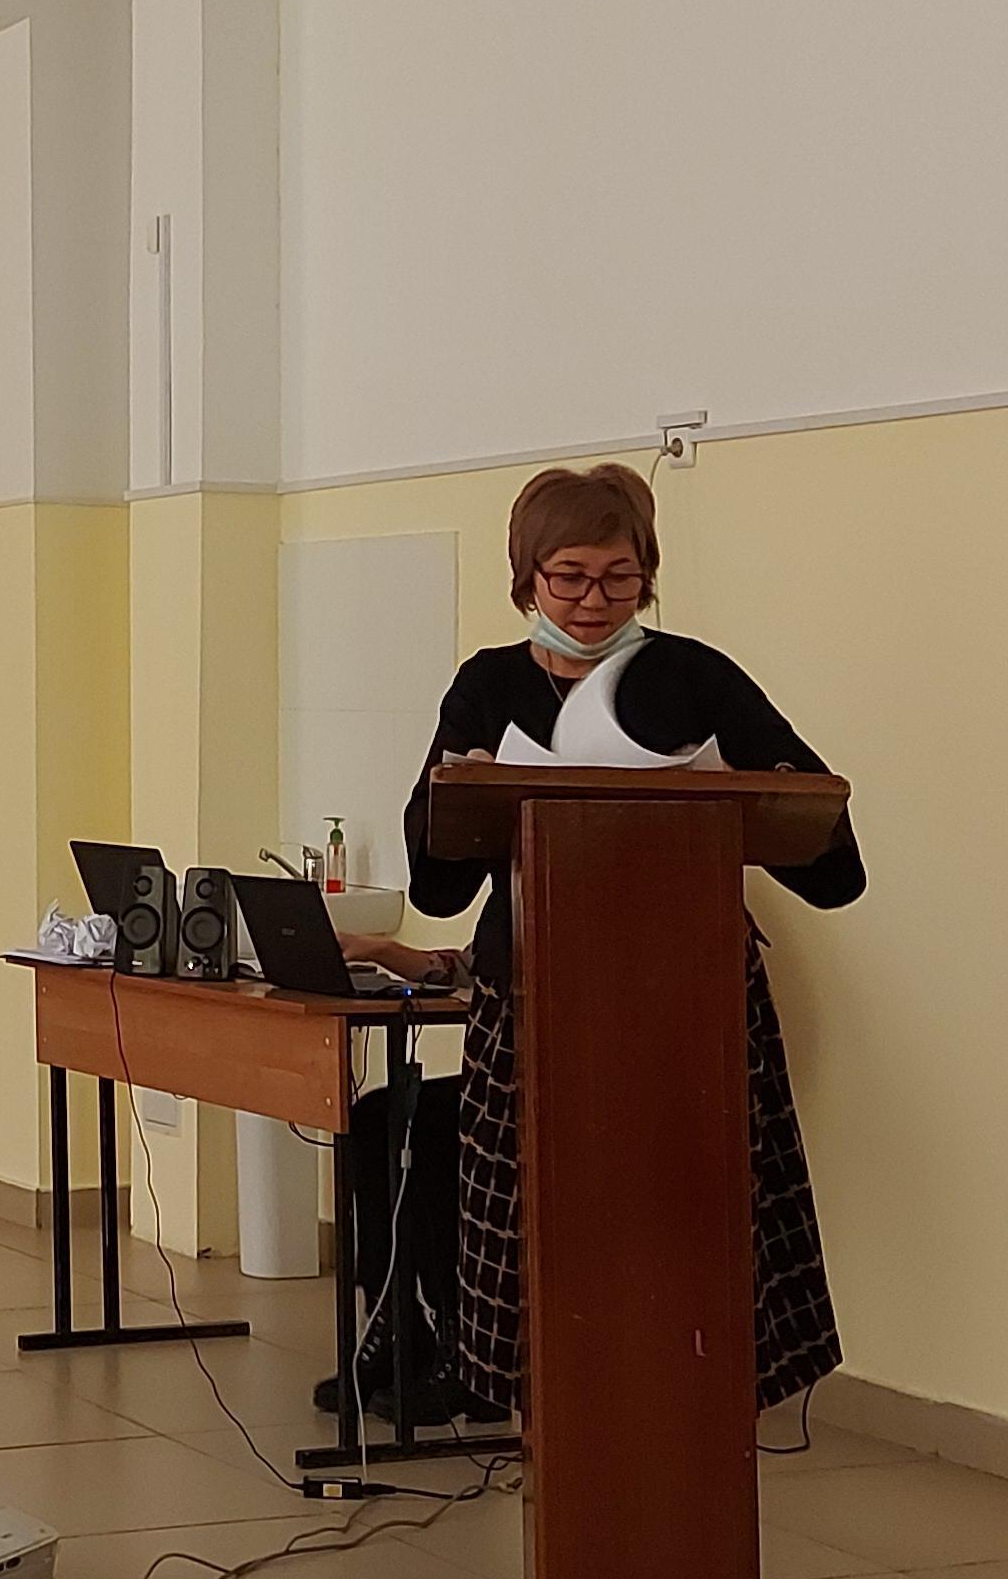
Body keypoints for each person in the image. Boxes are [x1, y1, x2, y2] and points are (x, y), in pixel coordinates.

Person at [360, 460, 865, 1426]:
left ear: (647, 573)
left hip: (689, 1011)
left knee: (692, 1249)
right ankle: (557, 1430)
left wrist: (758, 791)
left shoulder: (696, 678)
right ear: (527, 578)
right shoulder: (489, 686)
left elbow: (831, 862)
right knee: (551, 1259)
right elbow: (438, 887)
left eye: (620, 578)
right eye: (570, 578)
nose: (594, 602)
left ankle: (694, 1428)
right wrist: (460, 792)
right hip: (536, 1003)